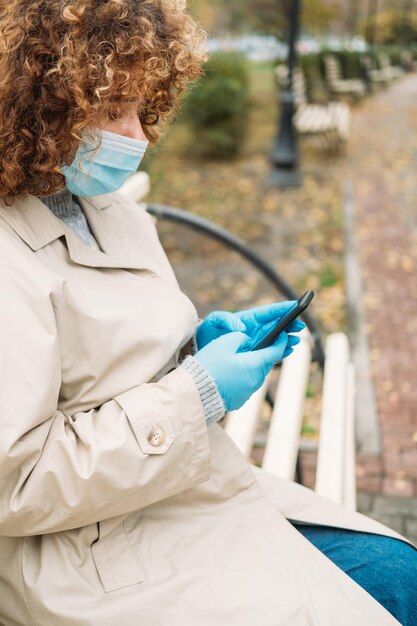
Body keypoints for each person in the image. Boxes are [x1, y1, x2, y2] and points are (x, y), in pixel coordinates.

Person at [0, 2, 416, 625]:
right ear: (42, 104)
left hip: (179, 496)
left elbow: (103, 365)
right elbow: (18, 484)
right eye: (114, 111)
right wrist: (198, 394)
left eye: (142, 110)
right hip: (86, 558)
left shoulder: (107, 206)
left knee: (402, 577)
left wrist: (198, 348)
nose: (139, 136)